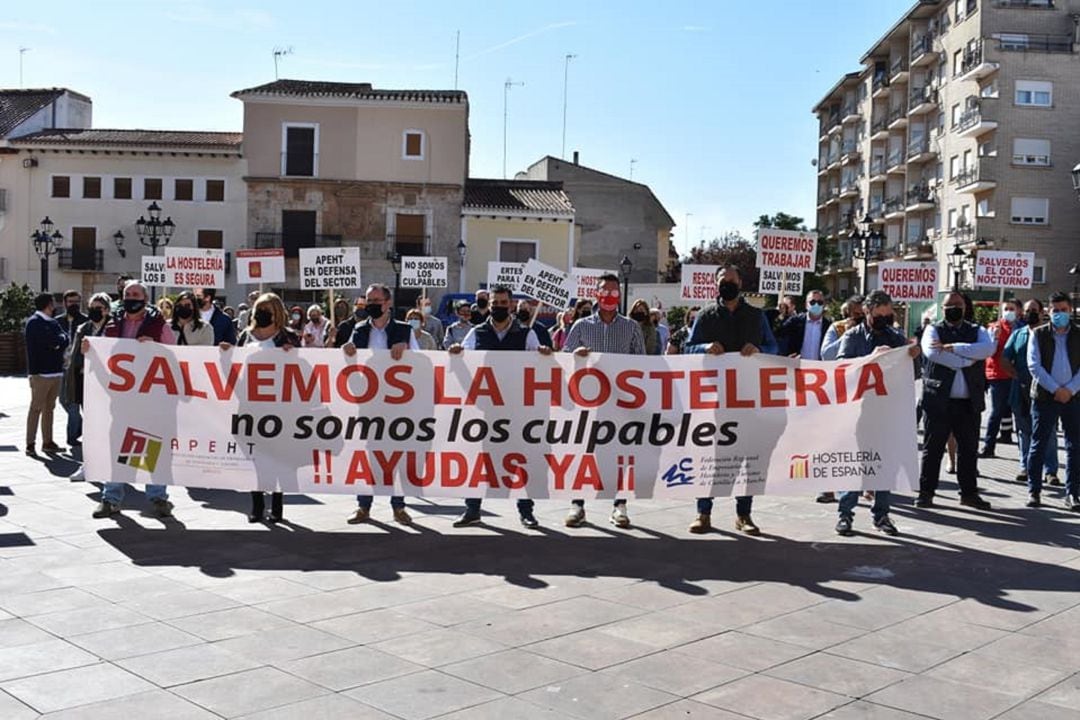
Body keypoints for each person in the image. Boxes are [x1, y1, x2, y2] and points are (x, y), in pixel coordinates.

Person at [448, 285, 552, 527]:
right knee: (481, 460)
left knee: (522, 460)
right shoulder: (476, 333)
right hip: (487, 410)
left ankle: (526, 511)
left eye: (504, 303)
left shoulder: (527, 335)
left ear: (512, 304)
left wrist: (545, 355)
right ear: (489, 304)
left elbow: (540, 364)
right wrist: (456, 352)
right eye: (495, 303)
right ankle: (472, 509)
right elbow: (463, 359)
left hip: (518, 410)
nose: (499, 307)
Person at [686, 266, 778, 535]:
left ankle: (744, 515)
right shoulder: (704, 316)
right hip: (714, 399)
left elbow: (774, 347)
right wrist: (704, 347)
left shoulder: (756, 316)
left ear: (740, 282)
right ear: (715, 284)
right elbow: (689, 348)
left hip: (749, 398)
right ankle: (703, 513)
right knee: (712, 457)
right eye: (722, 281)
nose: (727, 284)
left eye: (731, 281)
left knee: (748, 457)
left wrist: (759, 349)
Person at [562, 274, 646, 528]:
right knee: (584, 452)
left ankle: (619, 505)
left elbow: (642, 363)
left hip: (620, 404)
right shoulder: (581, 326)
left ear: (620, 295)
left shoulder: (631, 327)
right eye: (604, 291)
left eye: (613, 292)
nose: (609, 296)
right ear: (596, 294)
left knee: (620, 454)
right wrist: (575, 356)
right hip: (588, 404)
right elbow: (565, 359)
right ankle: (577, 504)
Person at [833, 290, 921, 536]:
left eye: (888, 315)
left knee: (884, 465)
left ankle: (881, 515)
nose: (884, 320)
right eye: (879, 315)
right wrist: (871, 358)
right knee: (854, 464)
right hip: (858, 411)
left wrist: (912, 357)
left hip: (886, 411)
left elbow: (911, 374)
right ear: (868, 312)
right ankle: (845, 515)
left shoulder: (896, 337)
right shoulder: (852, 337)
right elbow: (843, 370)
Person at [91, 281, 177, 519]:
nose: (131, 298)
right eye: (127, 294)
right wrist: (90, 349)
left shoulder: (159, 326)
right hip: (122, 399)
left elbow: (176, 355)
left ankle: (158, 497)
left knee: (151, 447)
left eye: (136, 294)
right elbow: (103, 353)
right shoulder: (113, 323)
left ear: (145, 298)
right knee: (118, 447)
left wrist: (155, 347)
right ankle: (111, 498)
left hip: (151, 399)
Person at [343, 284, 419, 524]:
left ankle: (398, 507)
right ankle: (363, 506)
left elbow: (420, 365)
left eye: (376, 300)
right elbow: (349, 364)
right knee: (369, 456)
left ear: (388, 303)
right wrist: (346, 350)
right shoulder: (358, 330)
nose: (371, 304)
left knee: (396, 455)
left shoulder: (405, 331)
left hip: (397, 405)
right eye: (368, 300)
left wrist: (406, 350)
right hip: (368, 404)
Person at [223, 293, 300, 522]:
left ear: (277, 312)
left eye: (267, 309)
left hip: (279, 406)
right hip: (250, 404)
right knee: (253, 456)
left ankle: (277, 504)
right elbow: (235, 364)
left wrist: (293, 355)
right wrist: (226, 353)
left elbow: (304, 370)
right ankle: (257, 506)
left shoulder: (289, 337)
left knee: (278, 456)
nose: (261, 313)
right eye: (259, 309)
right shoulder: (246, 335)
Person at [917, 290, 995, 510]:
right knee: (933, 449)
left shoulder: (977, 329)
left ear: (965, 307)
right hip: (938, 401)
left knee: (969, 451)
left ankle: (969, 493)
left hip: (968, 403)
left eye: (958, 305)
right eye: (949, 306)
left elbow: (987, 349)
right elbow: (933, 354)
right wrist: (967, 360)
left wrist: (955, 349)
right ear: (942, 309)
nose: (954, 309)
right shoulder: (933, 329)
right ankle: (926, 493)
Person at [1025, 291, 1080, 510]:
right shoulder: (1038, 334)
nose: (1060, 314)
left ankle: (1073, 493)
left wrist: (1071, 389)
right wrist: (1056, 389)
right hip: (1045, 397)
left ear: (1070, 310)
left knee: (1074, 446)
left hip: (1074, 397)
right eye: (1055, 311)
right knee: (1038, 443)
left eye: (1063, 310)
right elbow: (1034, 366)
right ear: (1048, 311)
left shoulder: (1078, 334)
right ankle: (1034, 491)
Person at [1003, 299, 1059, 487]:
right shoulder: (1018, 334)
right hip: (1021, 391)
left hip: (1046, 391)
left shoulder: (1050, 335)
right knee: (1024, 431)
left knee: (1048, 432)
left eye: (1033, 310)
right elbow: (1004, 358)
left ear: (1042, 312)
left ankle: (1050, 471)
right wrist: (1015, 375)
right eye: (1027, 311)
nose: (1030, 314)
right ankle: (1025, 467)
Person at [64, 292, 112, 480]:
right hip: (87, 384)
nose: (94, 312)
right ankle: (88, 465)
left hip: (110, 387)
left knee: (107, 427)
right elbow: (75, 357)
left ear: (107, 310)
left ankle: (109, 465)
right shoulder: (83, 328)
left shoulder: (114, 328)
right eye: (91, 308)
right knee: (90, 426)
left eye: (98, 308)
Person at [25, 293, 68, 456]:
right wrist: (58, 342)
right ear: (48, 305)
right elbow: (52, 342)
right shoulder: (35, 323)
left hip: (55, 372)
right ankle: (30, 443)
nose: (55, 306)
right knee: (36, 408)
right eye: (53, 303)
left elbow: (65, 339)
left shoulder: (53, 322)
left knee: (49, 408)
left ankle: (48, 441)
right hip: (41, 374)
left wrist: (59, 341)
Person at [980, 300, 1021, 457]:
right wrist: (994, 339)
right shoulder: (993, 328)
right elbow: (988, 352)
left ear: (1018, 311)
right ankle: (988, 447)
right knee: (997, 412)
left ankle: (1023, 451)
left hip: (1015, 375)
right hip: (997, 375)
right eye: (1006, 309)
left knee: (1018, 413)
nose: (1009, 311)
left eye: (1012, 309)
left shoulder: (1021, 328)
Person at [56, 290, 87, 447]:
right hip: (61, 367)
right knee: (63, 400)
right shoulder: (57, 321)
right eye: (70, 302)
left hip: (77, 368)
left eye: (76, 302)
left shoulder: (86, 322)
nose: (73, 305)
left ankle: (72, 436)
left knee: (74, 402)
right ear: (65, 303)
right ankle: (79, 423)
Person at [779, 289, 831, 361]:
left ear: (824, 305)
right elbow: (780, 340)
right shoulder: (794, 322)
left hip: (820, 369)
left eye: (820, 302)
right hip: (796, 367)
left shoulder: (829, 326)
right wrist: (786, 357)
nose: (816, 305)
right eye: (812, 302)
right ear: (806, 305)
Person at [820, 295, 863, 361]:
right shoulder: (837, 327)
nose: (861, 316)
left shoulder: (872, 329)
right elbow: (826, 355)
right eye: (856, 314)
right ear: (849, 313)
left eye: (863, 314)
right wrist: (847, 336)